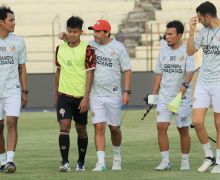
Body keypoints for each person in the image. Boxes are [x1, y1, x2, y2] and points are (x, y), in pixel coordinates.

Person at [88, 19, 132, 171]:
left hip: (113, 95)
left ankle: (117, 156)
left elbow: (126, 69)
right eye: (93, 31)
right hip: (96, 95)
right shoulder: (90, 45)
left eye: (97, 31)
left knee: (114, 129)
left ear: (106, 32)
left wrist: (126, 91)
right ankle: (101, 162)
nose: (94, 34)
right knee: (99, 127)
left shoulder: (118, 47)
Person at [55, 16, 96, 172]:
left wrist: (86, 98)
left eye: (75, 32)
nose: (72, 34)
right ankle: (65, 162)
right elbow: (58, 72)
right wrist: (56, 94)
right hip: (64, 96)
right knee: (64, 126)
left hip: (80, 98)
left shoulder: (88, 49)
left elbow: (90, 74)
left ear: (81, 32)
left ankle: (81, 162)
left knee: (81, 130)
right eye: (69, 31)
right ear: (67, 31)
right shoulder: (60, 49)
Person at [153, 20, 194, 171]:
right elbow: (159, 73)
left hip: (181, 98)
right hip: (164, 96)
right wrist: (155, 92)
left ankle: (185, 161)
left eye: (170, 34)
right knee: (161, 127)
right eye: (166, 34)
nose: (167, 37)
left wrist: (185, 85)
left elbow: (190, 71)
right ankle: (165, 161)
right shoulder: (163, 50)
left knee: (182, 129)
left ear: (180, 35)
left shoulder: (187, 51)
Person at [187, 1, 220, 173]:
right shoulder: (202, 32)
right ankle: (209, 156)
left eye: (199, 18)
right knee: (197, 121)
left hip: (219, 82)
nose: (198, 21)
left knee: (219, 122)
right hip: (203, 81)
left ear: (207, 16)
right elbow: (190, 51)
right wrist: (191, 32)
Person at [0, 6, 28, 173]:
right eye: (11, 20)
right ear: (1, 22)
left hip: (13, 89)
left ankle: (10, 160)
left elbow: (22, 67)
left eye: (14, 19)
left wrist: (25, 91)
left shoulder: (18, 41)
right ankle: (2, 161)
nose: (14, 23)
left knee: (12, 122)